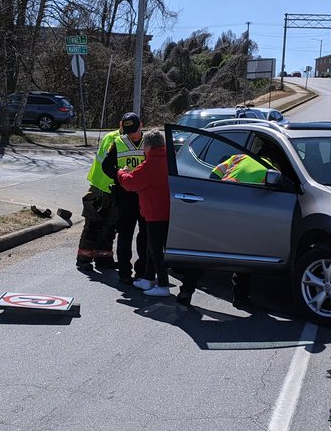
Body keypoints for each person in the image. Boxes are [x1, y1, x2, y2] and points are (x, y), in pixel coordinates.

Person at [176, 136, 283, 309]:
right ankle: (240, 298)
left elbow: (214, 175)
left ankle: (186, 291)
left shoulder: (238, 157)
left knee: (205, 254)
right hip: (242, 214)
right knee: (244, 257)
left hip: (220, 209)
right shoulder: (270, 168)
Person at [76, 111, 145, 274]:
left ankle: (103, 257)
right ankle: (84, 258)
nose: (130, 133)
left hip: (117, 190)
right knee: (94, 224)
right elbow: (107, 165)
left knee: (111, 225)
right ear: (120, 125)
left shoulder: (137, 141)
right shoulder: (113, 139)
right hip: (101, 188)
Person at [117, 128, 171, 296]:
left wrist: (121, 173)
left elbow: (131, 183)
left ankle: (163, 285)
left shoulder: (151, 163)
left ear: (147, 147)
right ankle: (147, 279)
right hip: (170, 212)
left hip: (155, 212)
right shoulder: (171, 159)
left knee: (156, 250)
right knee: (151, 246)